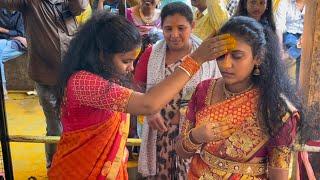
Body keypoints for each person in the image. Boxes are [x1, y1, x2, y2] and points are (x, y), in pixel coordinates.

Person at [47, 12, 235, 179]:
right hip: (79, 171)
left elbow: (146, 102)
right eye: (126, 61)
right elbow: (147, 104)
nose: (131, 68)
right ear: (101, 55)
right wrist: (196, 59)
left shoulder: (108, 78)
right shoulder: (83, 82)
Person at [175, 16, 311, 179]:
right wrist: (196, 136)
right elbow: (181, 152)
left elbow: (278, 175)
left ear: (258, 57)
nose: (225, 65)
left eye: (237, 56)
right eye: (221, 56)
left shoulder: (276, 108)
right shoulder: (203, 90)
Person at [134, 2, 221, 178]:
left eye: (181, 28)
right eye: (168, 29)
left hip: (193, 137)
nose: (174, 35)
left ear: (193, 26)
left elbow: (217, 95)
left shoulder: (206, 58)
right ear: (161, 28)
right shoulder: (152, 53)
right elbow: (137, 87)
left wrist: (184, 117)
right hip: (159, 136)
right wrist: (149, 112)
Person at [0, 0, 88, 168]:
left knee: (76, 123)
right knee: (55, 126)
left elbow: (80, 7)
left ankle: (72, 162)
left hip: (73, 76)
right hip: (45, 78)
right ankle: (53, 165)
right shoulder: (30, 3)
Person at [0, 8, 26, 98]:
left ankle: (2, 89)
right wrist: (13, 35)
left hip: (17, 44)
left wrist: (3, 30)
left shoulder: (20, 13)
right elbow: (16, 34)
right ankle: (3, 89)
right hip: (4, 42)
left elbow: (21, 33)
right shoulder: (1, 11)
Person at [283, 0, 305, 86]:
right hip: (290, 34)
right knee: (298, 46)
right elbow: (280, 26)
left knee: (303, 52)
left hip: (305, 35)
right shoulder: (285, 3)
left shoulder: (313, 4)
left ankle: (288, 55)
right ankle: (298, 87)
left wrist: (304, 37)